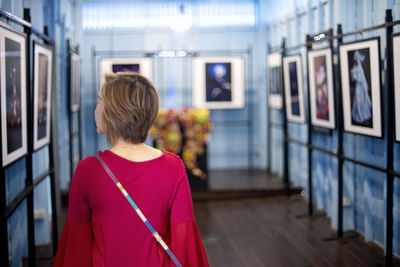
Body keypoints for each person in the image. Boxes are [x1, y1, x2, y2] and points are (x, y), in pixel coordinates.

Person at [54, 72, 209, 267]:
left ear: (113, 112)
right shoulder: (173, 167)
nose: (96, 110)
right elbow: (185, 239)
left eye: (99, 102)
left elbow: (76, 248)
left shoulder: (87, 170)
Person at [350, 50, 372, 125]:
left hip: (361, 87)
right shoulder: (355, 66)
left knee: (362, 102)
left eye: (355, 56)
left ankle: (363, 116)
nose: (354, 58)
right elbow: (353, 79)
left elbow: (361, 79)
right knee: (358, 102)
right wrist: (352, 74)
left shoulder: (360, 67)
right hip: (358, 87)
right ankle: (360, 116)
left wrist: (354, 74)